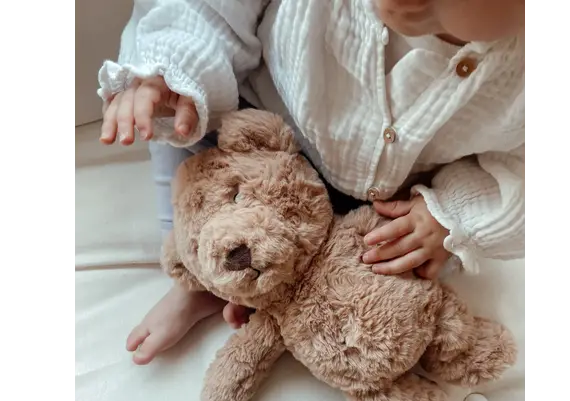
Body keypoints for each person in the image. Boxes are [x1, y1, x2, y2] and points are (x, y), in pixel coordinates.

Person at [98, 0, 527, 365]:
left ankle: (278, 291)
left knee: (388, 267)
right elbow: (212, 9)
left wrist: (450, 213)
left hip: (377, 201)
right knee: (180, 136)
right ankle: (194, 273)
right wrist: (170, 73)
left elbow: (518, 166)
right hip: (255, 131)